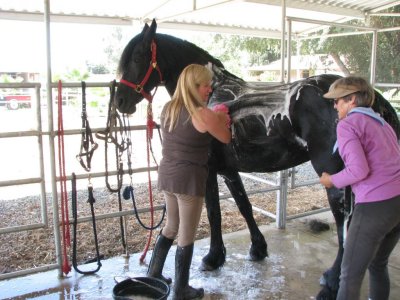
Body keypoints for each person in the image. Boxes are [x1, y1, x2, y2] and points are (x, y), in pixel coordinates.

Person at [147, 64, 232, 300]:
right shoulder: (203, 114)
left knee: (171, 227)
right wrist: (221, 118)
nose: (209, 89)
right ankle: (181, 289)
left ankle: (153, 273)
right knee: (186, 234)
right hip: (189, 180)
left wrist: (214, 116)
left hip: (168, 175)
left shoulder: (168, 109)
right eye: (206, 85)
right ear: (194, 87)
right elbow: (225, 137)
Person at [319, 76, 400, 300]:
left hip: (375, 206)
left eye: (338, 101)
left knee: (349, 276)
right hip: (397, 202)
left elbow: (358, 170)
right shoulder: (380, 122)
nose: (334, 106)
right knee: (377, 264)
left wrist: (331, 180)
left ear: (352, 100)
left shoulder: (348, 125)